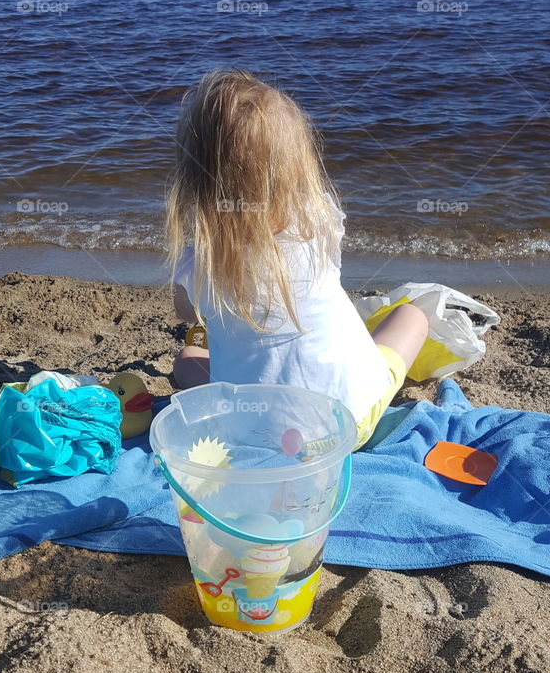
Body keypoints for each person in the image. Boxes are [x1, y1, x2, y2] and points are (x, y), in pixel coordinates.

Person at [167, 69, 428, 450]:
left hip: (255, 434)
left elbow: (185, 312)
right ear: (299, 165)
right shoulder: (321, 225)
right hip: (347, 423)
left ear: (197, 181)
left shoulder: (201, 264)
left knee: (186, 357)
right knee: (412, 316)